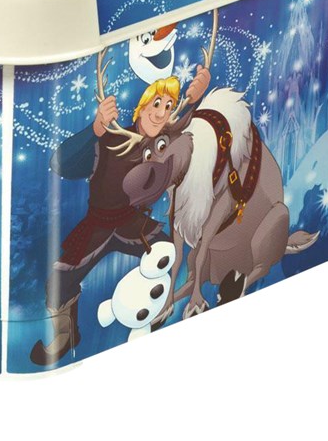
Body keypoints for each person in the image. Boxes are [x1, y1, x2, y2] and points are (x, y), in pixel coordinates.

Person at [29, 65, 210, 367]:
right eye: (156, 104)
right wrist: (97, 128)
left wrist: (195, 99)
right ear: (142, 108)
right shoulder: (111, 139)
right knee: (58, 280)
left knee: (164, 249)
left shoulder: (161, 140)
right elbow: (60, 163)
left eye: (168, 107)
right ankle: (66, 333)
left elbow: (182, 124)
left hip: (131, 221)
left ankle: (150, 308)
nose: (161, 113)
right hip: (98, 224)